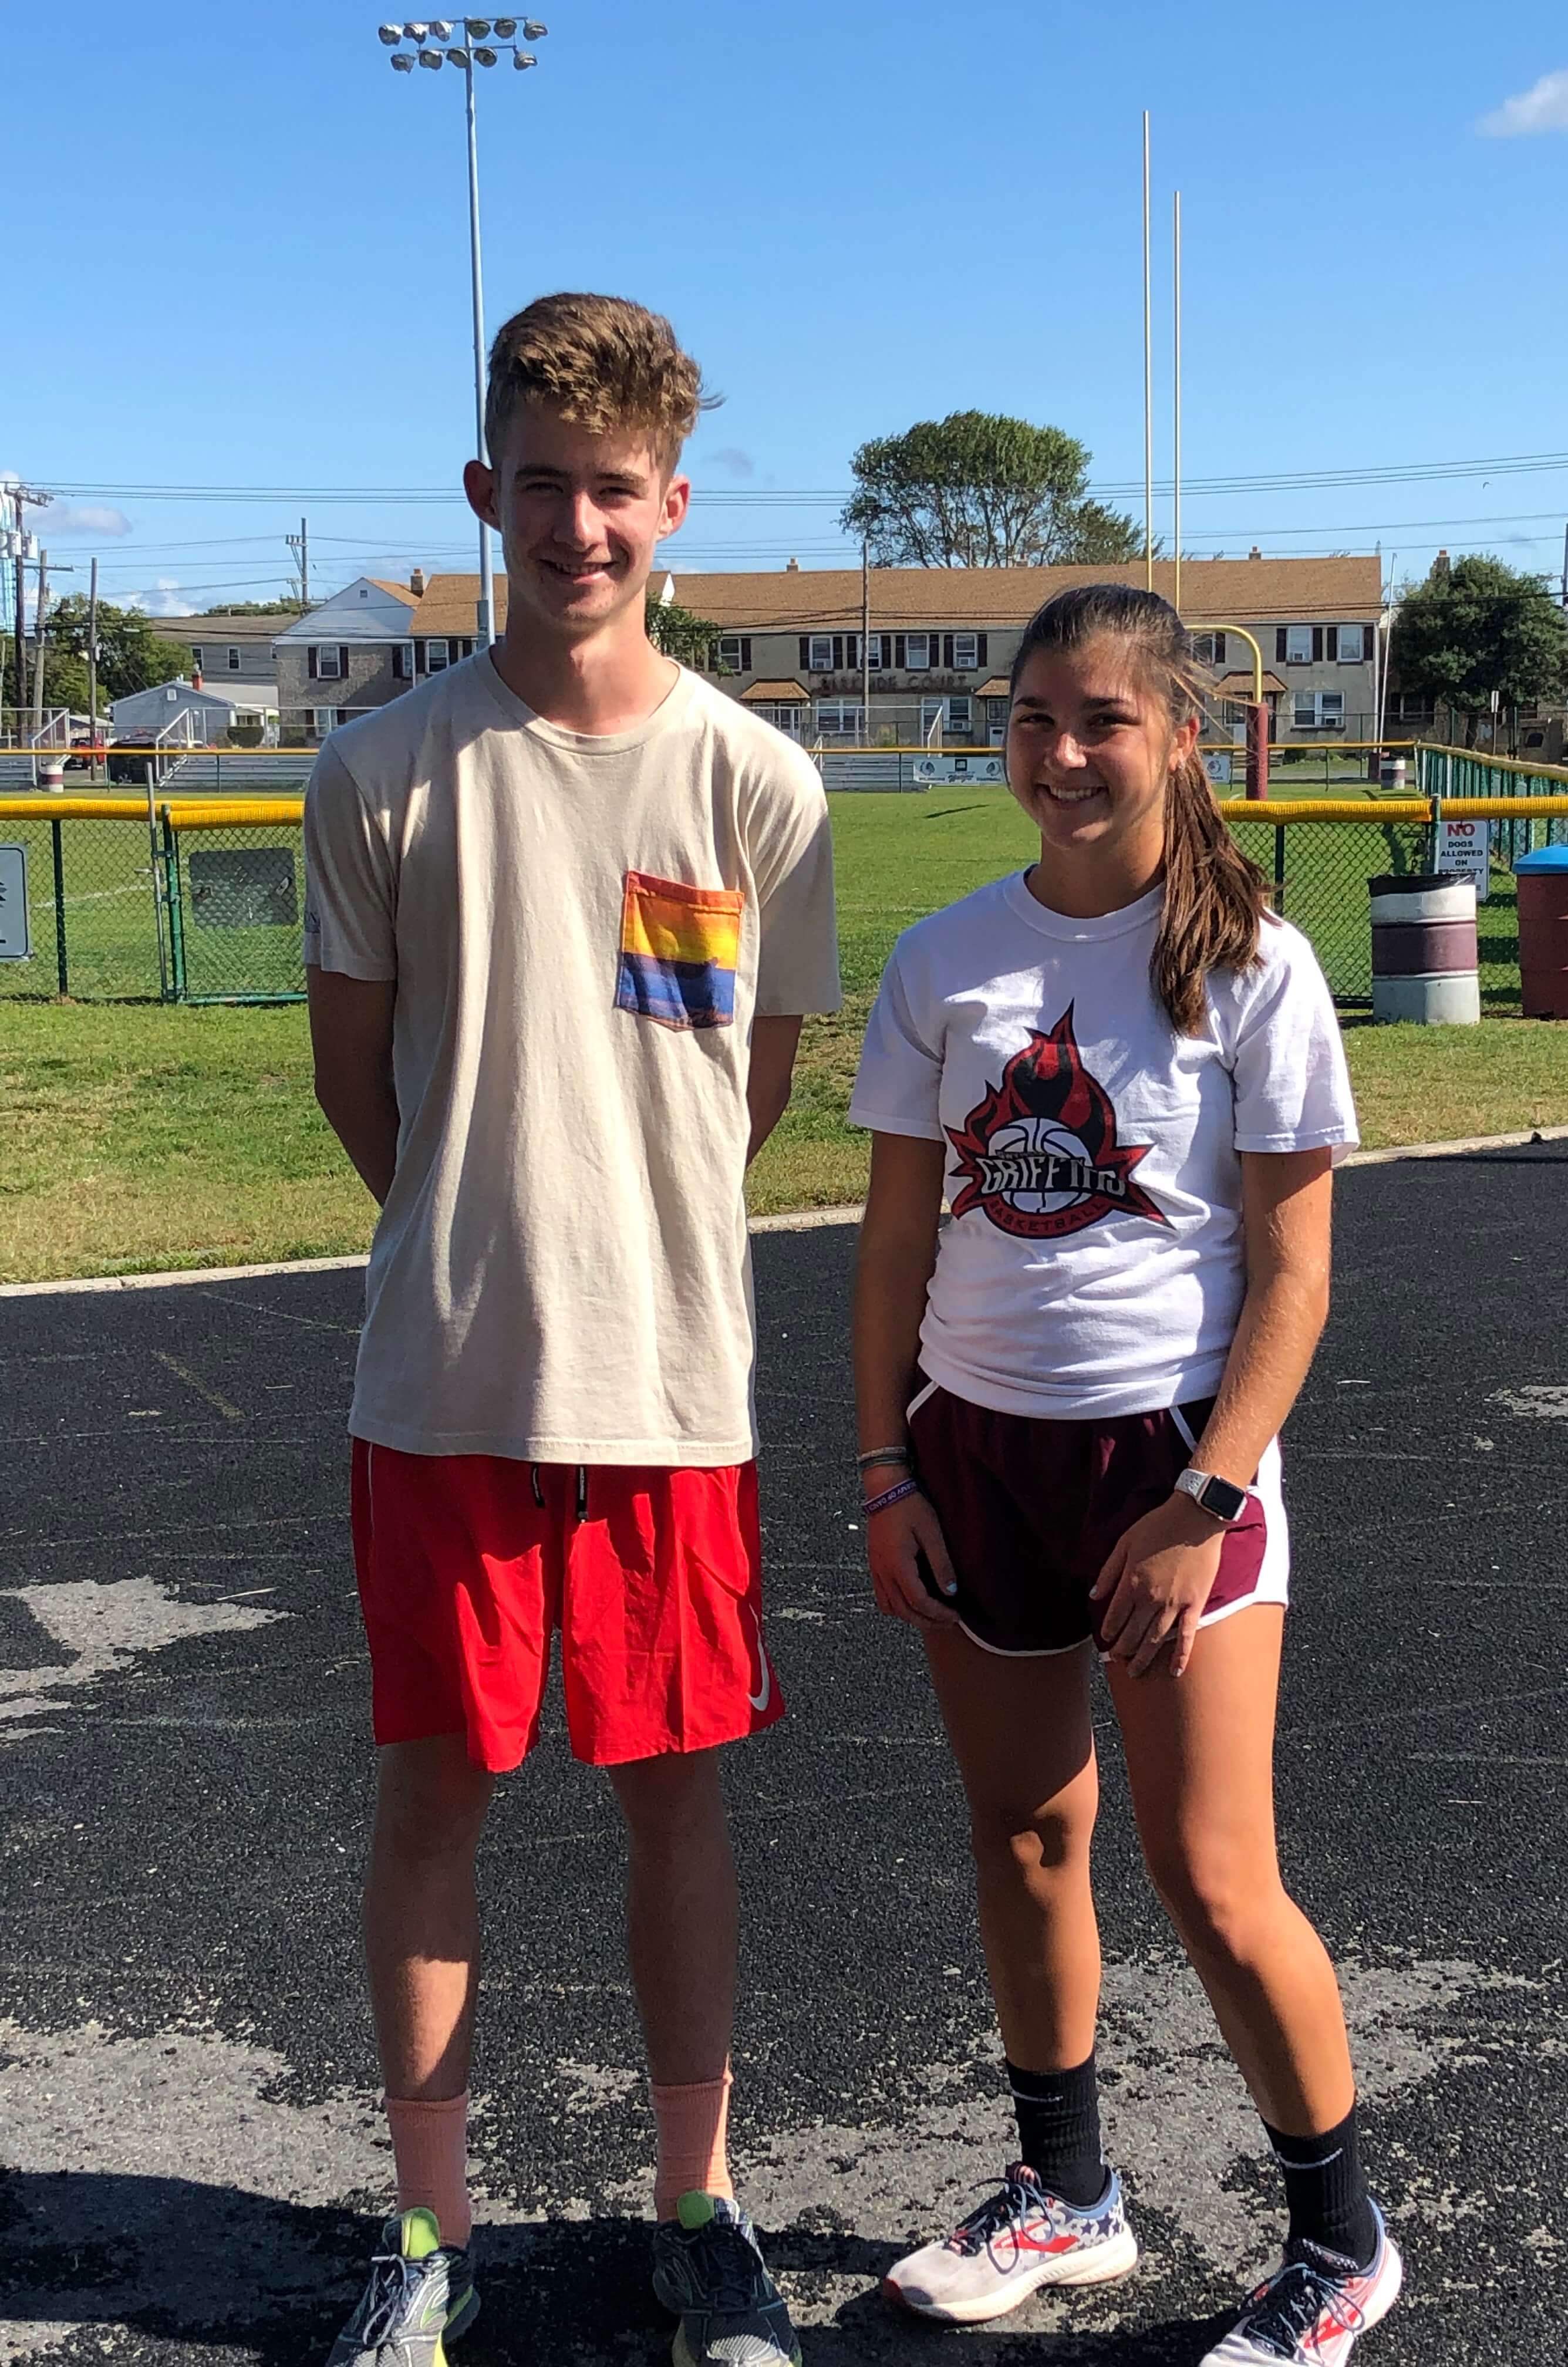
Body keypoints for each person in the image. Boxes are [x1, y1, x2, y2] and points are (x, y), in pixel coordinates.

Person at [303, 291, 839, 2367]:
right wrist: (480, 1232)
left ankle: (695, 2212)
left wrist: (620, 1249)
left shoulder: (756, 782)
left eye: (616, 490)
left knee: (674, 1801)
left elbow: (747, 1093)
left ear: (672, 503)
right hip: (443, 1382)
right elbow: (363, 1091)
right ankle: (424, 2236)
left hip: (673, 1390)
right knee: (434, 1793)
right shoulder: (384, 770)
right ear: (482, 496)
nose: (580, 525)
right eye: (544, 486)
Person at [848, 583, 1402, 2364]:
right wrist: (883, 1469)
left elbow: (1297, 1274)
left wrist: (1208, 1502)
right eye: (1034, 720)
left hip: (1170, 1467)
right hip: (972, 1455)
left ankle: (1341, 2243)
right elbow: (885, 1248)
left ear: (1179, 737)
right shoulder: (944, 960)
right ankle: (1068, 2198)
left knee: (1214, 1876)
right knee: (1025, 1839)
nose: (1063, 755)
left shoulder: (1252, 966)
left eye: (1101, 721)